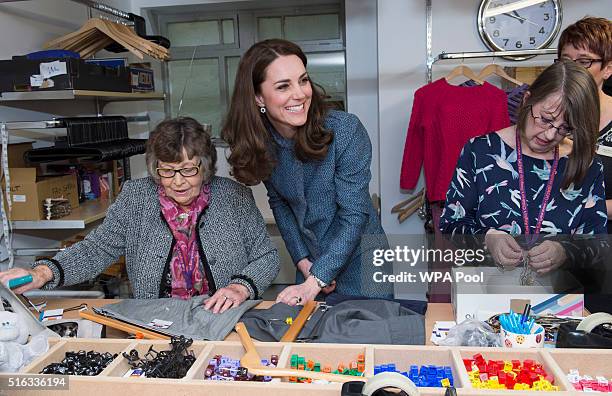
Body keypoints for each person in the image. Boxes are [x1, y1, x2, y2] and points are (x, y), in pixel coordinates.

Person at [0, 117, 279, 314]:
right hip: (155, 322)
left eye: (187, 169)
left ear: (205, 168)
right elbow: (96, 249)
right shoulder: (136, 197)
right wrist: (43, 272)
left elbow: (267, 256)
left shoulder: (234, 197)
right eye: (166, 171)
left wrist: (241, 287)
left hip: (223, 318)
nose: (178, 181)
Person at [222, 39, 391, 305]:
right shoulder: (261, 142)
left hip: (362, 260)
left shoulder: (345, 130)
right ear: (257, 97)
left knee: (369, 339)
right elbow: (280, 203)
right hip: (311, 264)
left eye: (303, 80)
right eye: (283, 86)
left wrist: (317, 279)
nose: (300, 94)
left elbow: (355, 213)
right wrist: (302, 261)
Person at [439, 60, 607, 276]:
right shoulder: (480, 151)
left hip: (556, 300)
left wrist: (565, 251)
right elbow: (451, 224)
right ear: (527, 100)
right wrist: (488, 238)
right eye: (545, 119)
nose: (550, 135)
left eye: (565, 128)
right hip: (484, 295)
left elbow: (599, 244)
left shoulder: (587, 164)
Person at [558, 17, 612, 229]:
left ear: (608, 68)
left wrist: (583, 208)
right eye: (565, 60)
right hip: (552, 244)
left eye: (583, 61)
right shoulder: (544, 118)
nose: (572, 69)